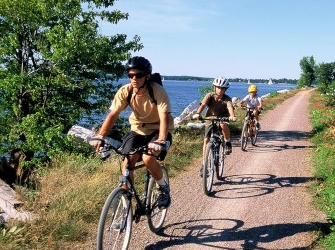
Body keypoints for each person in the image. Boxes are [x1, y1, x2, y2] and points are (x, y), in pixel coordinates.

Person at [90, 56, 174, 208]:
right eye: (130, 75)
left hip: (158, 130)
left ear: (147, 76)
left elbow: (164, 118)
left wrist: (161, 140)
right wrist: (100, 135)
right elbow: (113, 114)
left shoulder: (157, 91)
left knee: (148, 159)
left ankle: (163, 188)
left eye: (139, 75)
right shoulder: (126, 91)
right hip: (137, 129)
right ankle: (125, 198)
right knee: (127, 161)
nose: (134, 78)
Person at [192, 77, 236, 176]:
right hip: (210, 117)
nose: (220, 90)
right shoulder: (209, 95)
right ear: (214, 87)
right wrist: (198, 113)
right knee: (206, 140)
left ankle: (227, 142)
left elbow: (229, 107)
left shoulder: (227, 98)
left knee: (223, 124)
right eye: (218, 87)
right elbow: (203, 105)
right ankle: (204, 165)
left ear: (225, 89)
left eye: (222, 88)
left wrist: (232, 116)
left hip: (223, 117)